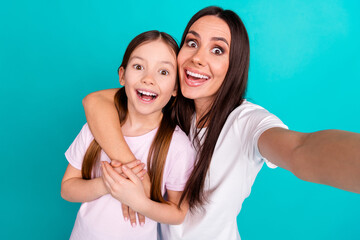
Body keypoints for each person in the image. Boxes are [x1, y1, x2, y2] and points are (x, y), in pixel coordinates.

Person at [82, 6, 360, 240]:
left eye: (217, 50)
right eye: (192, 43)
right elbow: (95, 102)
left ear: (234, 65)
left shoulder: (246, 122)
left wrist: (138, 189)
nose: (198, 58)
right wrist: (137, 176)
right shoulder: (163, 102)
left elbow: (301, 149)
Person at [61, 30, 196, 240]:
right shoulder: (94, 128)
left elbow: (178, 213)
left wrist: (138, 202)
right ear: (122, 75)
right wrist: (105, 185)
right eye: (139, 67)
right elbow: (67, 189)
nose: (148, 79)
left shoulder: (177, 145)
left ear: (176, 88)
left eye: (163, 72)